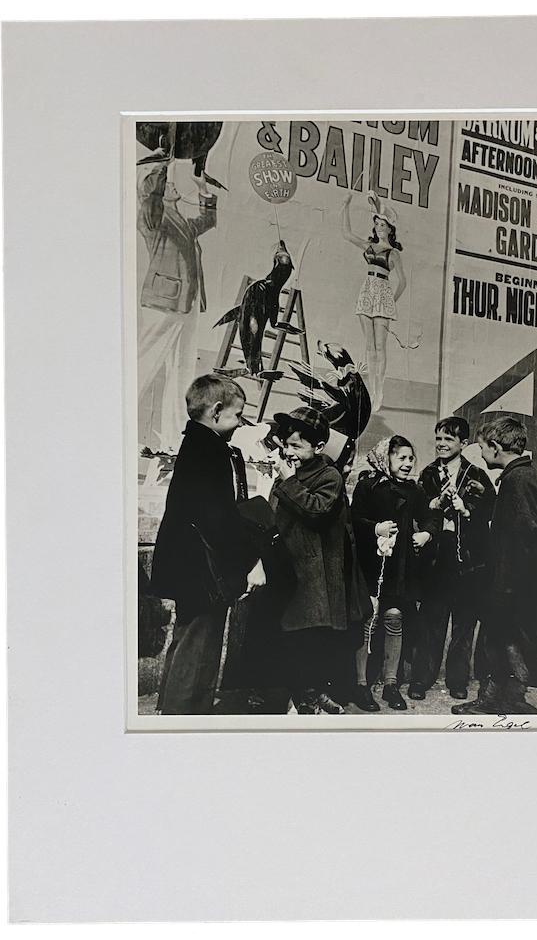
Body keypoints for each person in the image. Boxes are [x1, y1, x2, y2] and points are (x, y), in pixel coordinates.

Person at [151, 374, 268, 714]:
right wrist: (251, 562)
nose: (239, 424)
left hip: (190, 566)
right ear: (216, 411)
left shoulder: (197, 445)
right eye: (237, 415)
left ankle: (172, 711)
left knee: (187, 641)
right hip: (203, 568)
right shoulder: (212, 451)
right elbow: (219, 519)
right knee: (199, 647)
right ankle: (182, 718)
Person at [453, 416, 537, 716]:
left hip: (518, 587)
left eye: (481, 448)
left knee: (535, 647)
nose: (479, 454)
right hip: (519, 584)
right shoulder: (522, 477)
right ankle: (498, 698)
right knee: (502, 641)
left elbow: (520, 543)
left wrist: (504, 589)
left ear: (495, 447)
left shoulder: (518, 481)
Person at [269, 407, 350, 715]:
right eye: (286, 445)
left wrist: (288, 481)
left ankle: (310, 697)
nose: (288, 452)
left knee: (310, 640)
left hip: (314, 574)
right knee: (291, 639)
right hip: (288, 569)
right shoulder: (290, 473)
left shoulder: (329, 476)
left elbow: (317, 511)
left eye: (296, 446)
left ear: (318, 448)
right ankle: (301, 695)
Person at [409, 417, 495, 701]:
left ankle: (458, 680)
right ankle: (421, 679)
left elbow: (489, 514)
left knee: (464, 625)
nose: (442, 444)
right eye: (439, 438)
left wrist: (466, 509)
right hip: (437, 557)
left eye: (448, 439)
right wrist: (434, 504)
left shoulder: (477, 475)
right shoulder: (428, 474)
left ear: (464, 444)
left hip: (467, 560)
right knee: (431, 621)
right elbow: (418, 512)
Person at [350, 435, 438, 711]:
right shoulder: (368, 486)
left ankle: (390, 684)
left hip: (401, 567)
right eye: (401, 457)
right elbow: (352, 521)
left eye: (411, 458)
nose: (408, 463)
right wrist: (375, 529)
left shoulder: (415, 491)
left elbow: (431, 518)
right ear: (385, 458)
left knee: (395, 618)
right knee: (368, 620)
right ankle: (361, 685)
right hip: (371, 564)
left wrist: (426, 533)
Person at [137, 164, 219, 452]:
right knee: (142, 362)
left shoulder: (182, 222)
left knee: (182, 373)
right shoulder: (154, 218)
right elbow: (149, 198)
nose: (172, 185)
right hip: (164, 302)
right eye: (166, 184)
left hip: (185, 304)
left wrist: (202, 190)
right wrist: (162, 164)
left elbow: (207, 220)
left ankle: (174, 440)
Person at [341, 190, 407, 412]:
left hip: (382, 293)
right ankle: (372, 389)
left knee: (381, 347)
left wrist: (391, 302)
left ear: (390, 229)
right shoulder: (368, 246)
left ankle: (380, 390)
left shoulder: (393, 253)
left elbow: (403, 282)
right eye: (377, 224)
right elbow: (347, 234)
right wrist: (345, 206)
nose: (379, 227)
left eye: (383, 224)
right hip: (367, 292)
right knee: (369, 346)